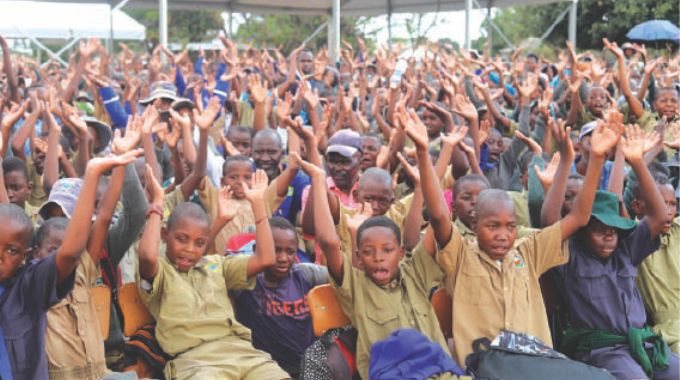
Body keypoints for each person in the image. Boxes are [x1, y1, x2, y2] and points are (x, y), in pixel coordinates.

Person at [419, 108, 614, 366]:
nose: (503, 235)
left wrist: (597, 159)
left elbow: (577, 218)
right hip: (484, 368)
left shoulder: (528, 251)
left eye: (510, 226)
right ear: (474, 224)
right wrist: (424, 152)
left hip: (535, 366)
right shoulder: (460, 255)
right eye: (493, 226)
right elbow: (439, 216)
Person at [298, 149, 453, 379]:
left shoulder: (415, 273)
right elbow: (329, 242)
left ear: (401, 253)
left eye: (387, 250)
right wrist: (318, 180)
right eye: (369, 252)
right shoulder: (357, 286)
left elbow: (438, 217)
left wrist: (424, 151)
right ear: (358, 256)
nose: (379, 257)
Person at [136, 167, 289, 379]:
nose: (190, 249)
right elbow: (146, 257)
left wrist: (258, 204)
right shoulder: (161, 272)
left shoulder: (216, 265)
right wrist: (158, 203)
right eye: (181, 239)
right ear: (164, 235)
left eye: (199, 243)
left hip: (242, 353)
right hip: (196, 362)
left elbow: (265, 259)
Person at [556, 124, 680, 379]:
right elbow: (550, 219)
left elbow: (658, 216)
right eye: (599, 229)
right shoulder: (570, 255)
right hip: (602, 350)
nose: (609, 235)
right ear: (582, 230)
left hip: (642, 342)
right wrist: (596, 159)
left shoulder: (625, 250)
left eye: (614, 229)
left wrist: (637, 162)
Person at [0, 153, 136, 379]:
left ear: (23, 256)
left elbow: (102, 218)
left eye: (11, 251)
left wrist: (114, 165)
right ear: (35, 253)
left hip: (98, 373)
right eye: (53, 250)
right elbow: (7, 218)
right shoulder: (34, 283)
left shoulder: (72, 272)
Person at [231, 217, 328, 378]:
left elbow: (345, 279)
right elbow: (211, 270)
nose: (283, 258)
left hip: (308, 366)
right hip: (265, 369)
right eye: (275, 250)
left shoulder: (305, 274)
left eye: (290, 252)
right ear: (257, 250)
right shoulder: (246, 280)